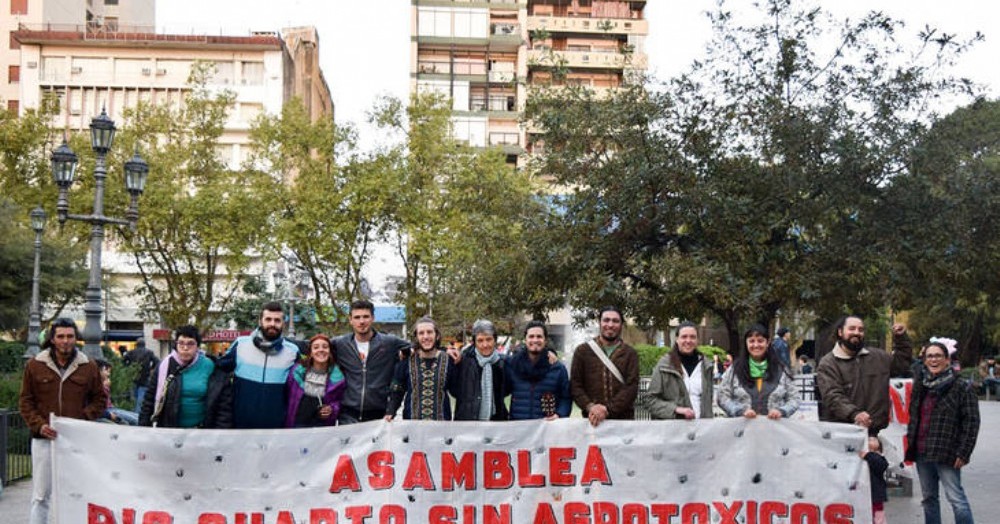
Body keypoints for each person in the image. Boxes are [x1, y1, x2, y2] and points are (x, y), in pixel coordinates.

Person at [19, 318, 107, 524]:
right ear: (52, 339)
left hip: (77, 442)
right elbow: (25, 401)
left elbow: (100, 400)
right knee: (41, 496)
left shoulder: (88, 366)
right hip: (44, 440)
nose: (66, 341)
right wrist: (39, 425)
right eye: (61, 336)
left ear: (76, 339)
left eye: (70, 336)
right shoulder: (35, 365)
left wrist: (82, 420)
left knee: (77, 493)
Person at [905, 341, 980, 524]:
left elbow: (971, 422)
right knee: (929, 499)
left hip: (947, 452)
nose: (934, 360)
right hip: (922, 451)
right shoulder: (921, 385)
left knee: (956, 499)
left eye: (938, 356)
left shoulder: (961, 386)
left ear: (947, 360)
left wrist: (964, 452)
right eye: (929, 356)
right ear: (924, 360)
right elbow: (915, 416)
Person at [815, 317, 913, 435]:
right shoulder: (828, 363)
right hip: (844, 433)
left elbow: (901, 365)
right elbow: (832, 396)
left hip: (878, 433)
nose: (857, 332)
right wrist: (854, 414)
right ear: (840, 332)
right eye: (852, 329)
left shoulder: (879, 357)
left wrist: (901, 339)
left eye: (861, 329)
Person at [217, 302, 301, 428]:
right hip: (240, 425)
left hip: (277, 429)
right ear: (260, 321)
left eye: (277, 320)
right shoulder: (241, 344)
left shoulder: (292, 351)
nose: (272, 324)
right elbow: (218, 369)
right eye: (268, 319)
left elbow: (300, 387)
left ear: (283, 323)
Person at [333, 299, 412, 424]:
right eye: (357, 317)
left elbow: (420, 347)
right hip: (348, 415)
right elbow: (312, 346)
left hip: (378, 416)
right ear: (350, 320)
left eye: (366, 317)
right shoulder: (340, 344)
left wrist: (448, 351)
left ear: (373, 318)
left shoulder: (389, 343)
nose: (362, 321)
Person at [139, 325, 233, 428]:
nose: (185, 348)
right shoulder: (164, 367)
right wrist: (143, 429)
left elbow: (223, 405)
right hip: (170, 431)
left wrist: (219, 434)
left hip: (202, 433)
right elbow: (149, 400)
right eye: (181, 343)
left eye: (190, 344)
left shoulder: (210, 366)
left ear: (198, 346)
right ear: (176, 344)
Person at [570, 306, 639, 426]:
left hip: (623, 423)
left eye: (615, 321)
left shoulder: (630, 354)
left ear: (621, 324)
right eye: (606, 320)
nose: (610, 325)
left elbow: (631, 387)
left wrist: (607, 409)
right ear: (599, 322)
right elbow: (575, 385)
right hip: (591, 422)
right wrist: (591, 407)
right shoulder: (582, 351)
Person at [717, 324, 800, 419]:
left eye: (760, 341)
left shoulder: (781, 370)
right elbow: (722, 396)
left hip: (774, 430)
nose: (756, 345)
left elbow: (794, 398)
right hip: (741, 430)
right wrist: (739, 411)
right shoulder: (734, 370)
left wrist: (782, 411)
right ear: (746, 343)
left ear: (767, 342)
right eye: (751, 341)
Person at [386, 317, 455, 421]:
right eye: (421, 333)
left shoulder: (449, 361)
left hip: (441, 429)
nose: (426, 336)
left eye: (429, 332)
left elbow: (459, 392)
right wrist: (390, 412)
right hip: (412, 428)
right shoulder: (406, 361)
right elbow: (397, 392)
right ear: (416, 337)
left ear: (437, 335)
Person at [645, 321, 714, 420]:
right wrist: (675, 410)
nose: (688, 340)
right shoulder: (664, 365)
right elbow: (650, 400)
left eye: (692, 337)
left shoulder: (706, 366)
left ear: (697, 340)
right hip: (673, 430)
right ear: (677, 339)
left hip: (701, 429)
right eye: (684, 337)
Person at [507, 321, 572, 420]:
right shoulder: (513, 365)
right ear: (525, 339)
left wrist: (559, 414)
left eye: (539, 336)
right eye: (531, 336)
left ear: (545, 340)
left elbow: (566, 398)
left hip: (547, 429)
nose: (535, 340)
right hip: (518, 428)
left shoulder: (558, 369)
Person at [451, 319, 510, 421]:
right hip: (467, 423)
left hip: (497, 424)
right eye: (480, 340)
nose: (485, 345)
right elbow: (453, 390)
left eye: (489, 339)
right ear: (474, 342)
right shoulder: (462, 362)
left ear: (495, 340)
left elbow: (507, 390)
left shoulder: (503, 363)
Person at [286, 333, 346, 427]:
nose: (321, 350)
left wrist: (332, 410)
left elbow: (340, 402)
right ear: (310, 352)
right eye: (316, 347)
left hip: (322, 430)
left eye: (325, 347)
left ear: (330, 351)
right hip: (296, 426)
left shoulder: (338, 378)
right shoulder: (296, 372)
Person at [96, 360, 139, 426]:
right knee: (135, 421)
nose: (108, 374)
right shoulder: (97, 384)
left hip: (111, 408)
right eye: (106, 370)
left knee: (138, 417)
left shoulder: (104, 383)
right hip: (108, 410)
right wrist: (104, 387)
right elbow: (101, 403)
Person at [123, 337, 159, 408]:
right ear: (144, 344)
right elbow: (157, 361)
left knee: (134, 398)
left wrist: (128, 368)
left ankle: (134, 413)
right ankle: (137, 415)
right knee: (141, 398)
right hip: (145, 377)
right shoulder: (149, 352)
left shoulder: (131, 352)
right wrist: (151, 369)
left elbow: (123, 361)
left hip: (133, 377)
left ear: (136, 344)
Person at [861, 435, 889, 524]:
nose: (870, 440)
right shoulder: (862, 455)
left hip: (875, 495)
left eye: (873, 439)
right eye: (869, 439)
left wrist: (868, 455)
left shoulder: (878, 457)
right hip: (865, 493)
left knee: (877, 516)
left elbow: (881, 465)